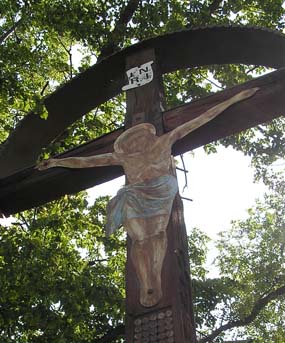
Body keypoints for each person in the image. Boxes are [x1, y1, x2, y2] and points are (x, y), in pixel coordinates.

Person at [38, 87, 258, 307]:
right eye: (131, 140)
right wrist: (57, 162)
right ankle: (146, 282)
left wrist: (234, 99)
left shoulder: (164, 142)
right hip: (134, 195)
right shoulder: (124, 158)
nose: (135, 142)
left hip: (161, 189)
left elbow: (202, 119)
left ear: (147, 135)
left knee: (159, 233)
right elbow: (87, 162)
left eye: (138, 137)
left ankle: (156, 275)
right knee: (140, 239)